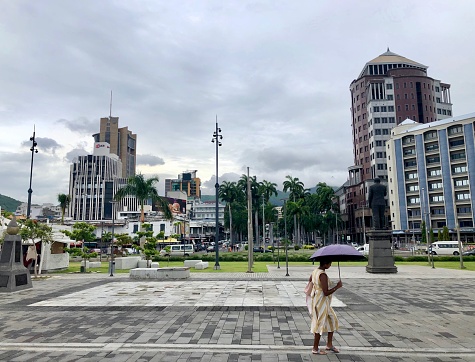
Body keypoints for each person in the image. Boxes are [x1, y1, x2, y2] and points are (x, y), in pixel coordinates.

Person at [309, 258, 342, 355]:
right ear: (325, 264)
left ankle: (329, 344)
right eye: (329, 264)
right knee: (320, 323)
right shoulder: (322, 274)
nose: (330, 265)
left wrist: (316, 286)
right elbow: (326, 292)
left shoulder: (315, 271)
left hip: (320, 300)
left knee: (332, 319)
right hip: (321, 302)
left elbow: (310, 280)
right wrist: (337, 287)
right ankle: (315, 348)